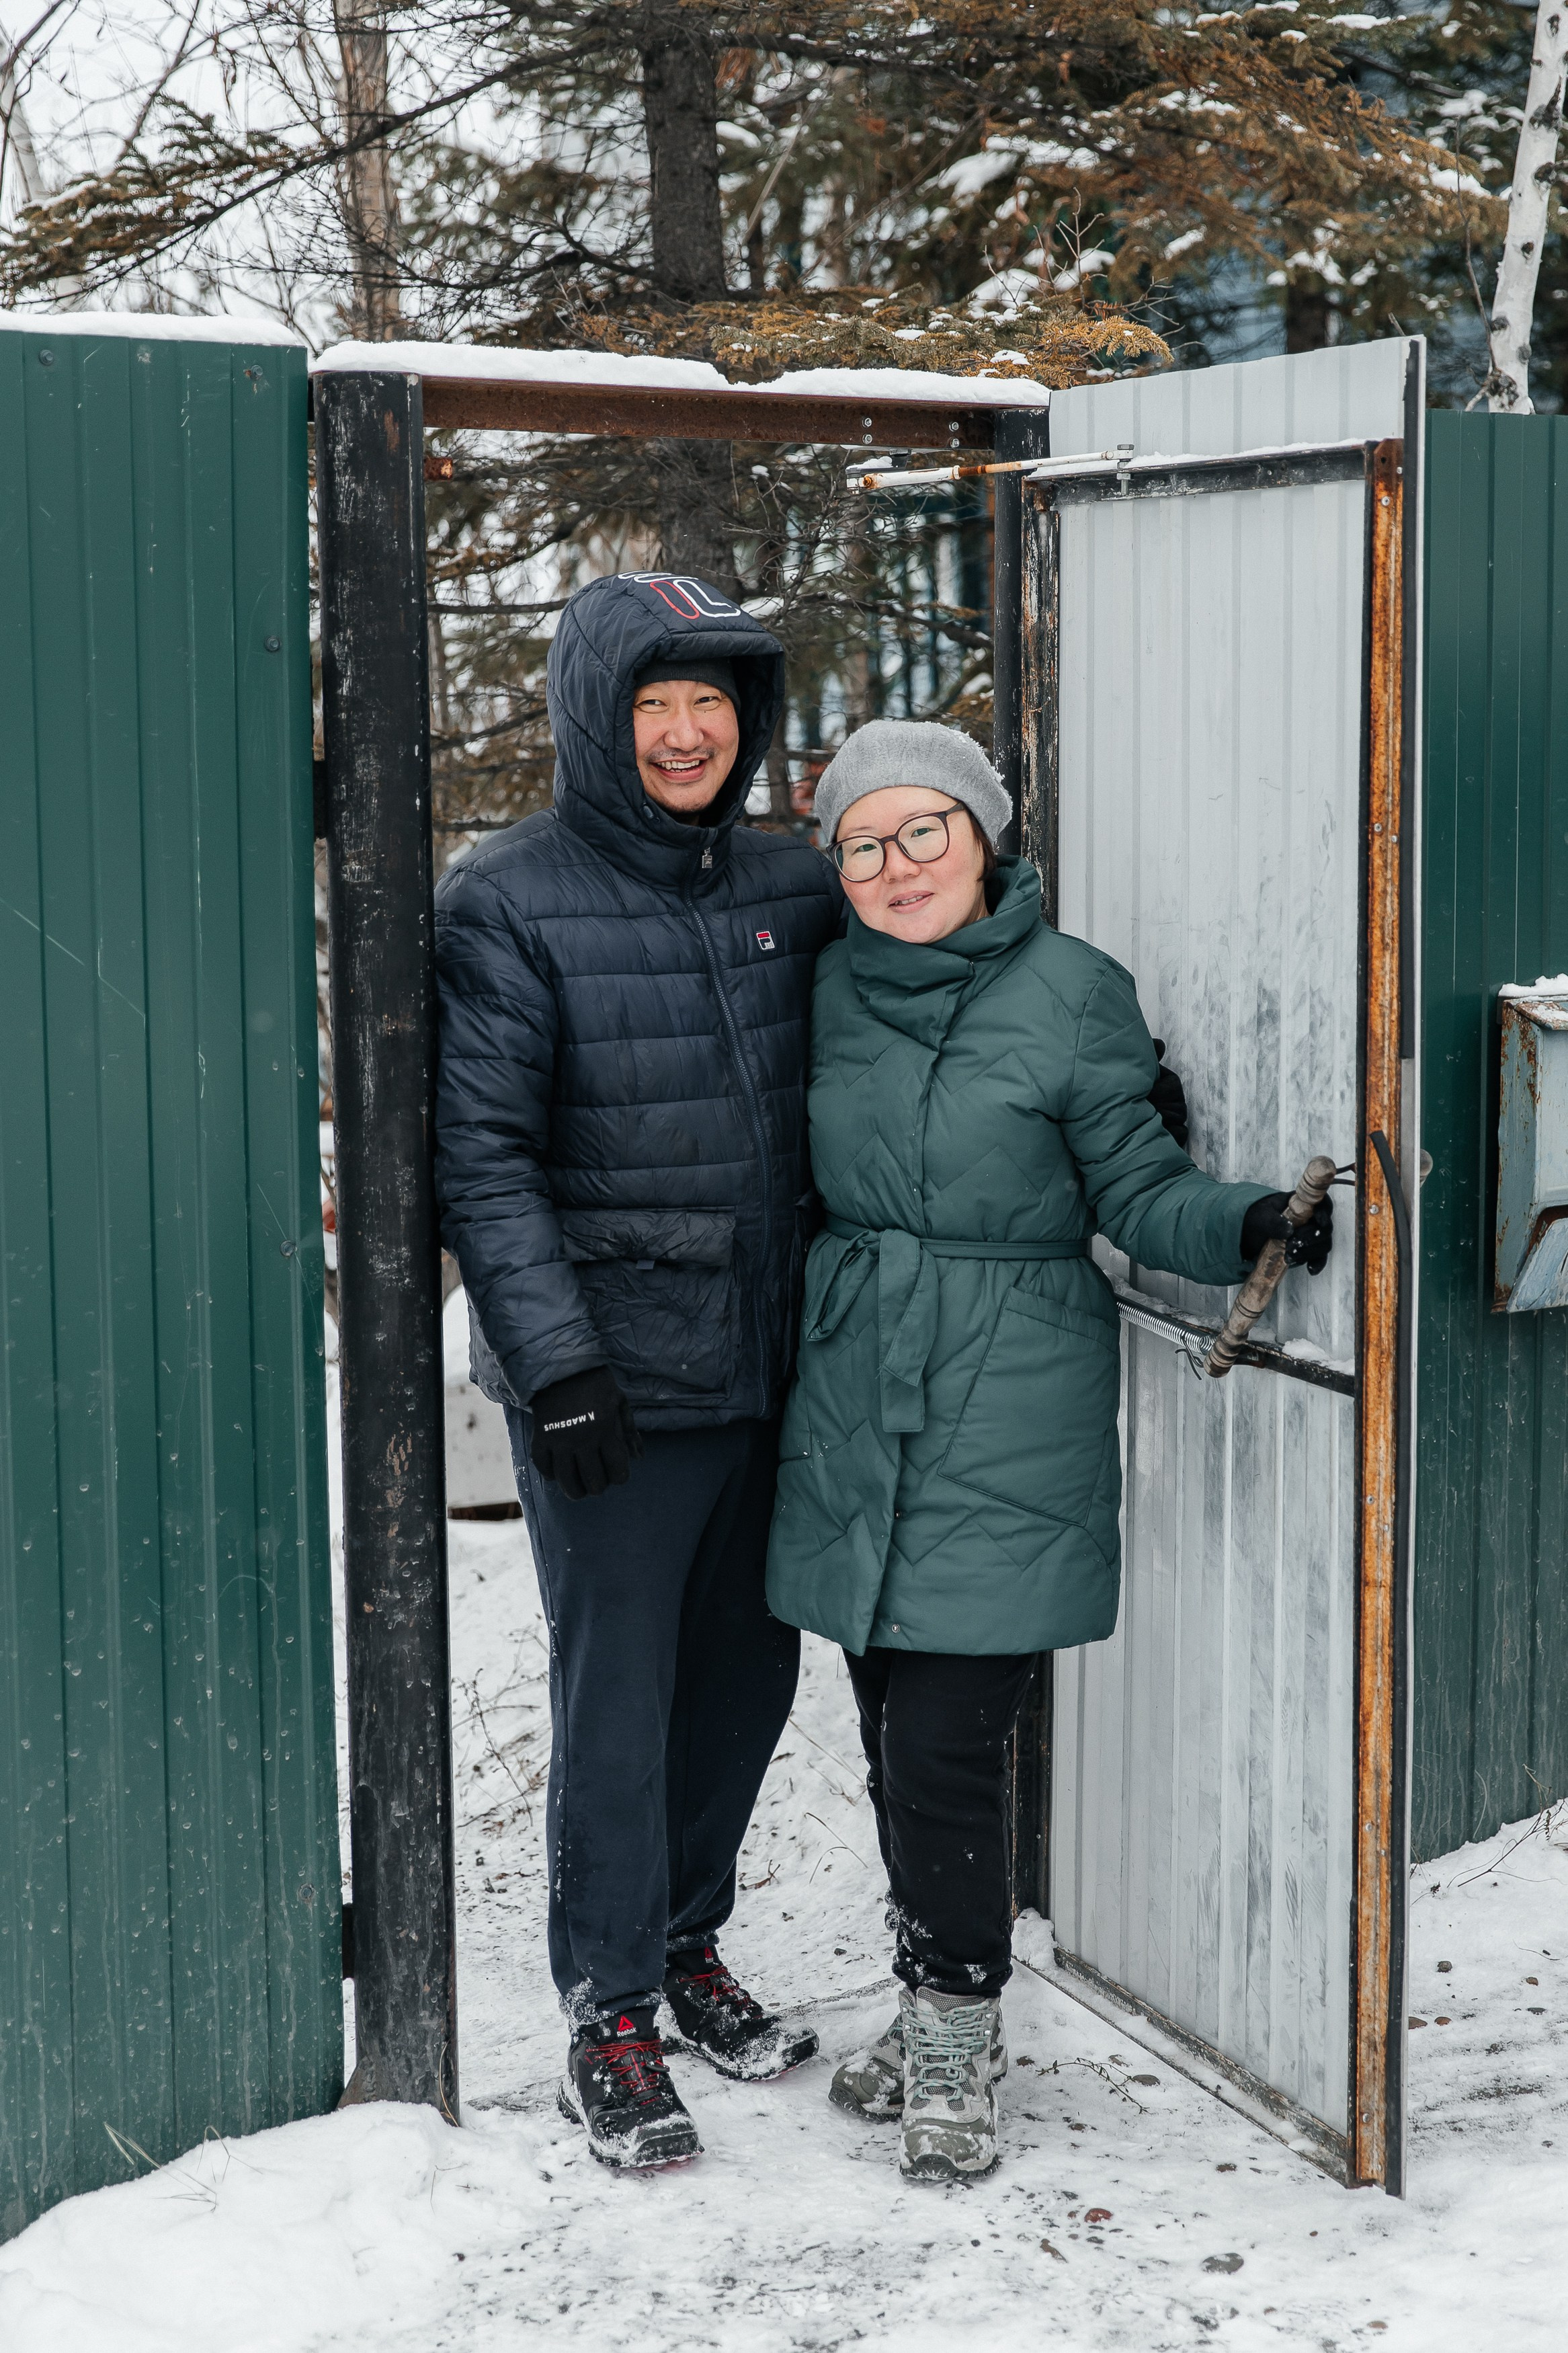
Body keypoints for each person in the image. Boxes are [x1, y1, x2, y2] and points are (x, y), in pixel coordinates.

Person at [764, 719, 1332, 2186]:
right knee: (889, 1740)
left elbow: (1138, 1188)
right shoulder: (821, 988)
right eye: (863, 844)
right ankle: (927, 2003)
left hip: (1008, 1397)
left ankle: (959, 2033)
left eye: (924, 831)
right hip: (854, 1387)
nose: (897, 866)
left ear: (986, 837)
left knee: (946, 1746)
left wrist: (1246, 1220)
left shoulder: (1074, 992)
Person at [434, 572, 842, 2171]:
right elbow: (483, 1157)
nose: (684, 732)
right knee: (621, 1701)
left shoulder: (795, 879)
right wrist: (557, 1367)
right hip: (614, 1387)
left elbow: (918, 1019)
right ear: (595, 717)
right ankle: (607, 2009)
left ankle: (685, 1942)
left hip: (776, 1364)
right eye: (652, 703)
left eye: (711, 702)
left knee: (747, 1682)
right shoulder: (510, 896)